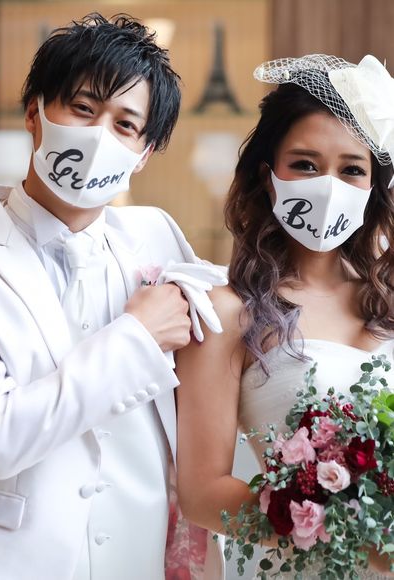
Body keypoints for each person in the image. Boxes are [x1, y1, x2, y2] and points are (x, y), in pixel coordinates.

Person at [0, 13, 226, 580]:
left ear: (144, 153)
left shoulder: (156, 234)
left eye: (125, 125)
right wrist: (137, 337)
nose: (98, 137)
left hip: (136, 559)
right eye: (83, 109)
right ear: (34, 114)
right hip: (3, 565)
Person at [176, 53, 394, 578]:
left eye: (351, 170)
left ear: (373, 189)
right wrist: (350, 534)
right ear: (268, 176)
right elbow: (201, 494)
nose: (328, 185)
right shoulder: (230, 313)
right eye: (305, 165)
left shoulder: (388, 301)